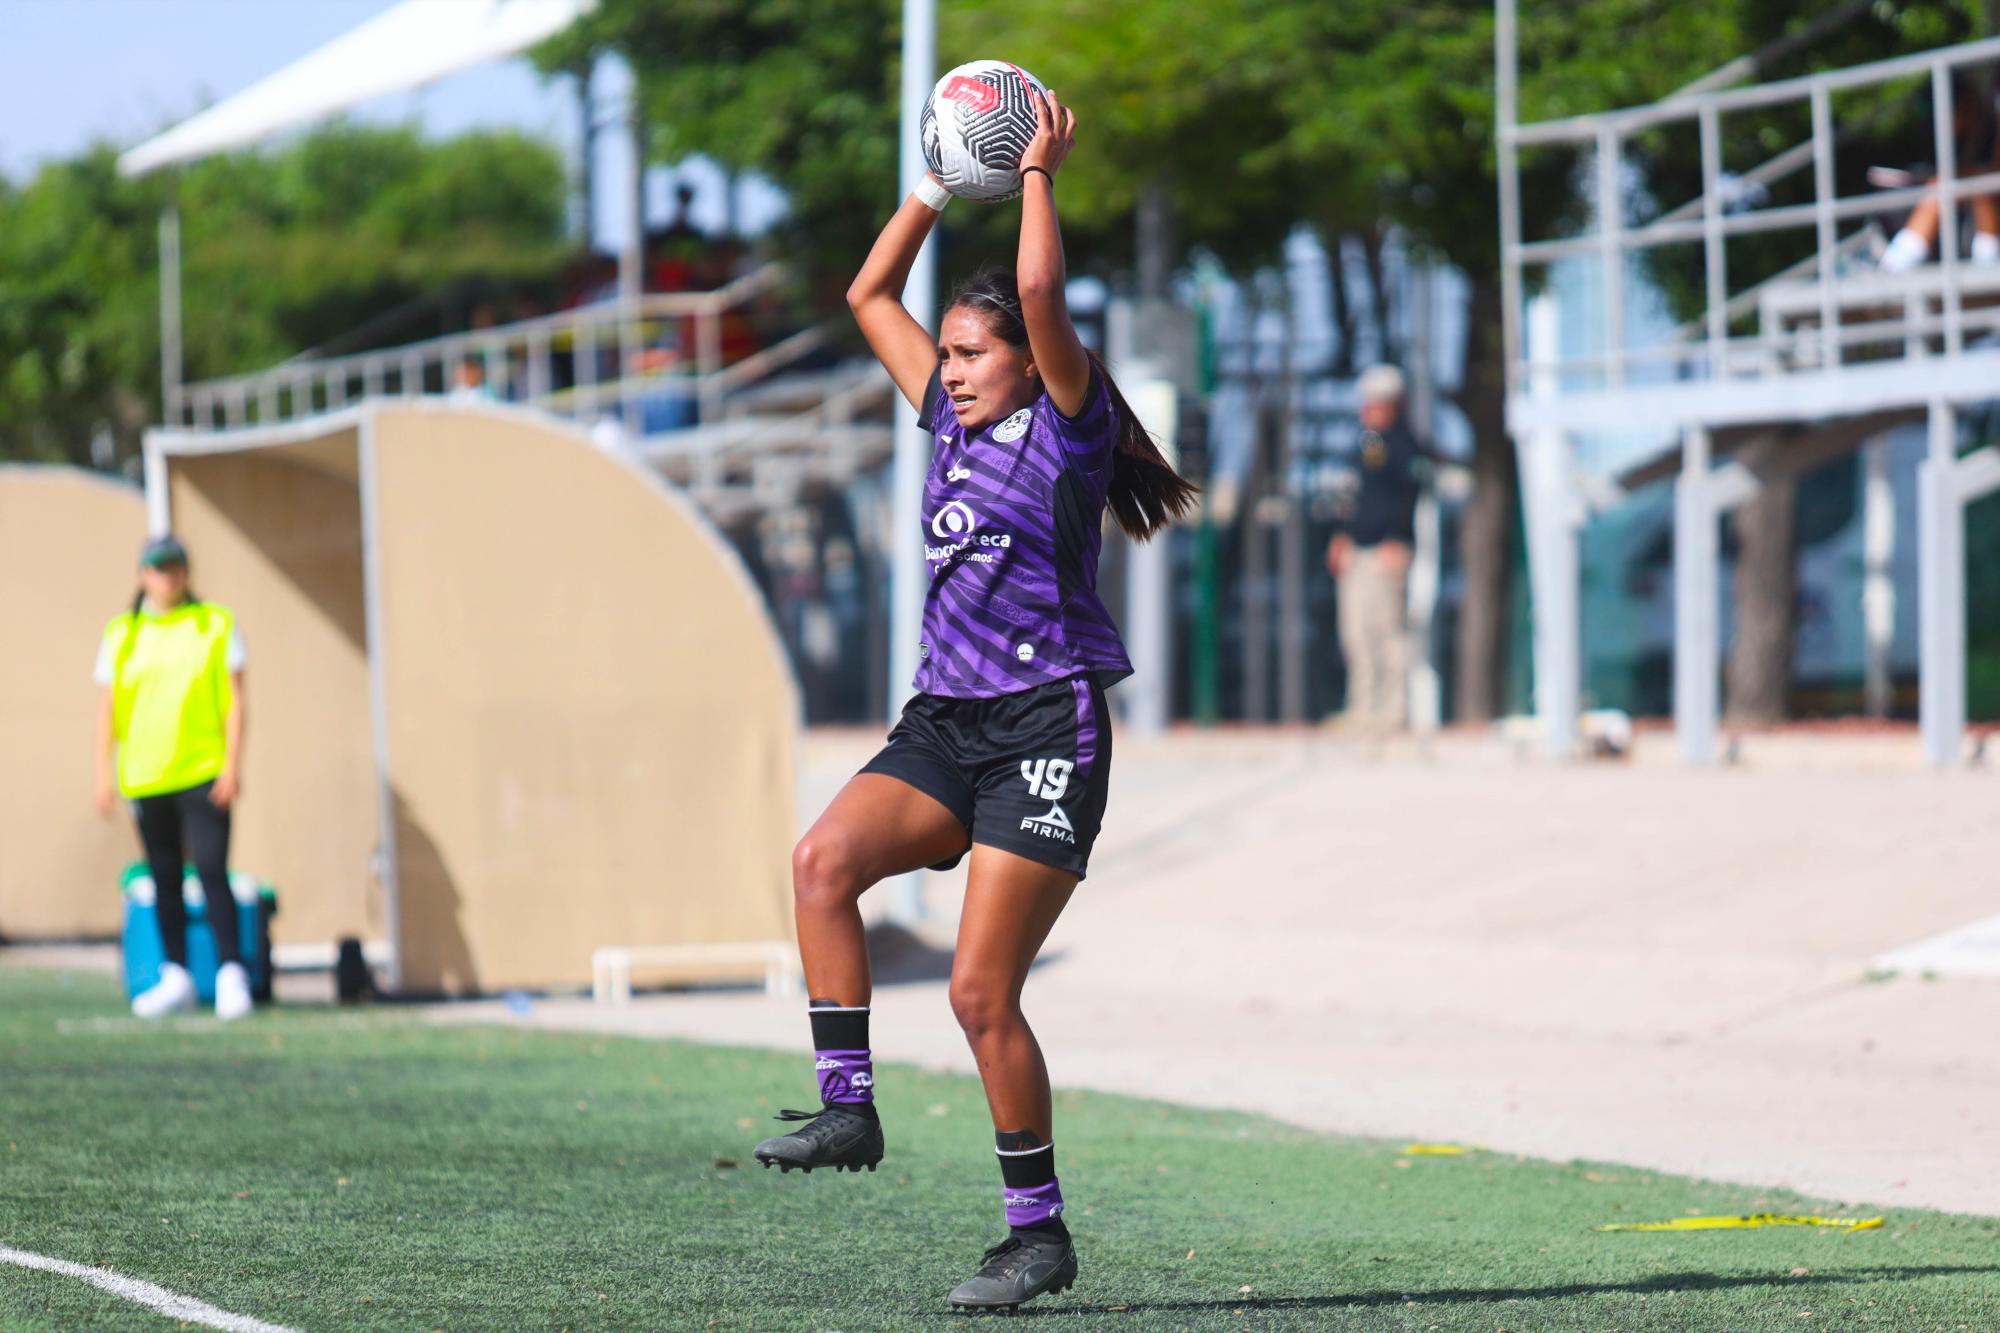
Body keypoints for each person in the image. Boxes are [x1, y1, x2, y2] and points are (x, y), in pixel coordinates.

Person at [750, 89, 1196, 1311]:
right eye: (941, 353)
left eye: (966, 353)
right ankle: (848, 1110)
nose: (944, 371)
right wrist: (938, 181)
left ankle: (1036, 1234)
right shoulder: (945, 427)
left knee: (975, 993)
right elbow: (863, 299)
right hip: (943, 724)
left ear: (1022, 364)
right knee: (821, 860)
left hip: (1044, 728)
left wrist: (1037, 171)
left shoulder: (1063, 430)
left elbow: (1044, 300)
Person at [93, 535, 252, 1021]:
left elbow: (236, 699)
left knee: (210, 869)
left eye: (176, 566)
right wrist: (104, 773)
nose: (168, 576)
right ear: (143, 575)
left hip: (202, 770)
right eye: (159, 568)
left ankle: (231, 974)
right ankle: (177, 975)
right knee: (164, 877)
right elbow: (108, 709)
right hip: (145, 775)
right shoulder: (122, 632)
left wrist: (232, 764)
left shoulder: (214, 623)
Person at [1327, 365, 1426, 734]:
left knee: (1387, 631)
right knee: (1356, 632)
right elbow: (1354, 498)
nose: (1369, 409)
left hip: (1387, 551)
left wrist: (1398, 538)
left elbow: (1408, 496)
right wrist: (1342, 535)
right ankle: (1362, 706)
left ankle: (1392, 710)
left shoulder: (1404, 446)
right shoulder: (1366, 443)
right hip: (1358, 550)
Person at [1880, 74, 2000, 272]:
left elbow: (1991, 173)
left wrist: (1966, 181)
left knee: (1972, 190)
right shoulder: (1970, 135)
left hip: (1986, 202)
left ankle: (1894, 268)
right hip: (1970, 204)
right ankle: (1894, 268)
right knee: (1940, 188)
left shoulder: (1991, 126)